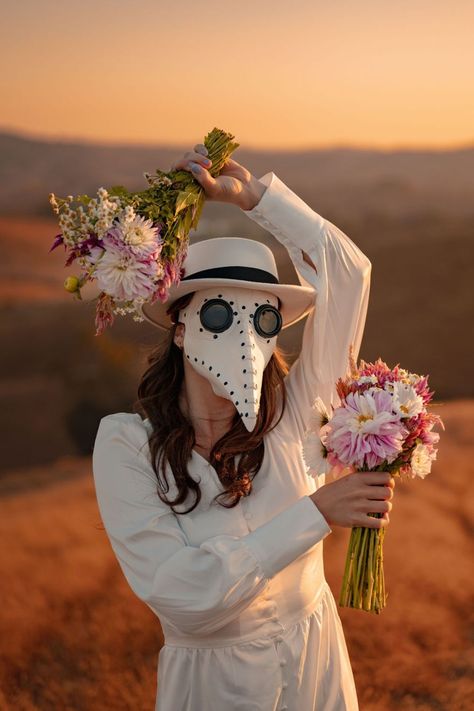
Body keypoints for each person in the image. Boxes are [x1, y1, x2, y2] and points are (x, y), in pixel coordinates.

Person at [92, 143, 396, 711]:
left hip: (317, 671)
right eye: (216, 313)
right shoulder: (128, 448)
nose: (242, 335)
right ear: (180, 329)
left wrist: (258, 199)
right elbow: (183, 595)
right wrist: (318, 513)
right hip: (214, 690)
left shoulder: (295, 415)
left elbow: (349, 272)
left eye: (263, 318)